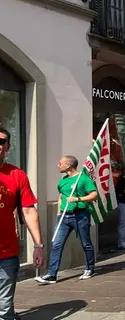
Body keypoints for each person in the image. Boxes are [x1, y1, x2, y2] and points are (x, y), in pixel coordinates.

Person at [0, 127, 44, 319]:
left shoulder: (17, 175)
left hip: (6, 252)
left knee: (4, 308)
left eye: (1, 141)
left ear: (7, 147)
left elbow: (28, 210)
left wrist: (38, 246)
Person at [35, 156, 98, 284]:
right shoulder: (62, 181)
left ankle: (90, 268)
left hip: (80, 215)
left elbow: (94, 194)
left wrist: (78, 199)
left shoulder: (83, 179)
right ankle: (52, 274)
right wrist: (59, 214)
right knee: (57, 244)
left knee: (85, 243)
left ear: (69, 165)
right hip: (64, 217)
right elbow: (61, 197)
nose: (58, 165)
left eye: (60, 163)